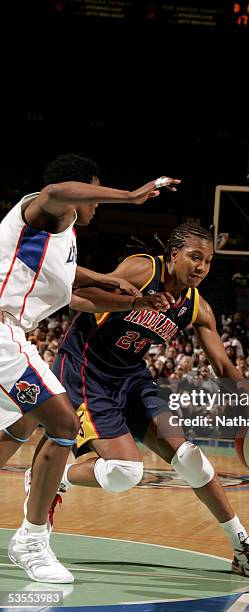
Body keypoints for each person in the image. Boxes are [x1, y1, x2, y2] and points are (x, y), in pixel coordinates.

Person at [20, 223, 249, 580]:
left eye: (208, 261)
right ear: (173, 256)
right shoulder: (144, 268)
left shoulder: (197, 308)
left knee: (191, 459)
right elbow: (82, 292)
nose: (202, 267)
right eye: (195, 257)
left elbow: (221, 363)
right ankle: (52, 475)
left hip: (132, 378)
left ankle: (241, 547)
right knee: (126, 472)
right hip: (87, 370)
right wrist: (134, 300)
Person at [0, 153, 180, 583]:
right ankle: (32, 539)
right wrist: (130, 195)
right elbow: (57, 191)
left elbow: (78, 299)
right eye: (94, 195)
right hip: (2, 329)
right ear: (81, 191)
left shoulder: (60, 243)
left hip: (14, 334)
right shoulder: (46, 212)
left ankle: (31, 535)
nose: (97, 206)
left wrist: (131, 297)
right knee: (62, 421)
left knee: (22, 425)